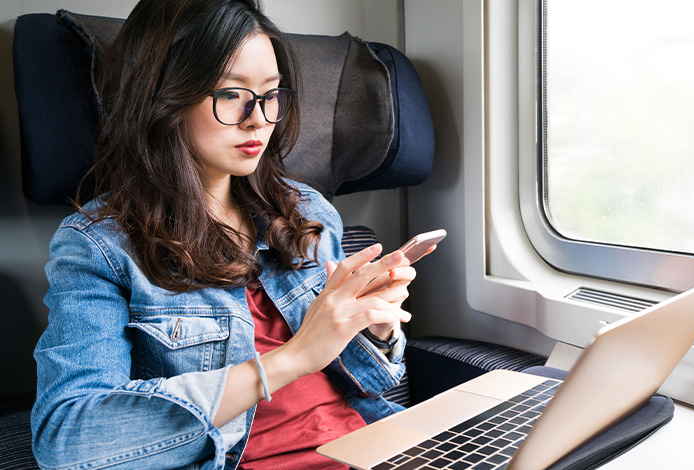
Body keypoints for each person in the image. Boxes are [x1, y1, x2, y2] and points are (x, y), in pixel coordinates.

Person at [30, 0, 415, 468]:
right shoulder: (98, 248)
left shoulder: (305, 209)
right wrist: (290, 360)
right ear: (161, 98)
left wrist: (376, 329)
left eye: (271, 94)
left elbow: (368, 383)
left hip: (374, 445)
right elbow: (67, 440)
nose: (260, 119)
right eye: (232, 94)